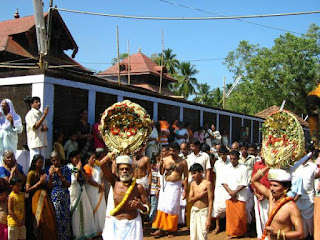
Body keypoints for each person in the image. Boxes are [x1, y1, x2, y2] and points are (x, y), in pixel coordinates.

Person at [100, 153, 149, 240]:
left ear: (132, 170)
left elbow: (147, 207)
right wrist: (113, 153)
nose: (124, 171)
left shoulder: (138, 187)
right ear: (118, 171)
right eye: (122, 169)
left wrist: (140, 206)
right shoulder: (114, 182)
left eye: (127, 169)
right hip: (115, 224)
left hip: (133, 225)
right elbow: (102, 164)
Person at [251, 167, 304, 240]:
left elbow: (300, 233)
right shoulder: (270, 196)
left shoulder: (291, 207)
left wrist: (277, 233)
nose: (272, 189)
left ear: (285, 188)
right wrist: (268, 166)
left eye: (275, 186)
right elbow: (254, 180)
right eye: (271, 185)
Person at [152, 142, 188, 238]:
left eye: (174, 151)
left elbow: (186, 177)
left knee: (172, 207)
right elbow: (161, 172)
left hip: (176, 186)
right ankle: (161, 229)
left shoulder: (183, 162)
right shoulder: (165, 159)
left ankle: (171, 229)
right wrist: (160, 165)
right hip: (166, 185)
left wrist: (185, 191)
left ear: (178, 151)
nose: (172, 152)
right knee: (162, 206)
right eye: (171, 150)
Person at [25, 154, 57, 240]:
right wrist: (39, 182)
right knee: (39, 220)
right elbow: (27, 190)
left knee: (48, 219)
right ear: (35, 163)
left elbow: (49, 186)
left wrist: (50, 176)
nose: (41, 164)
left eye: (42, 162)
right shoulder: (31, 173)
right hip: (36, 198)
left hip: (45, 198)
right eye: (39, 162)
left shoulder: (43, 172)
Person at [67, 151, 96, 239]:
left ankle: (85, 233)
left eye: (79, 158)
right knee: (76, 214)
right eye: (76, 158)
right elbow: (73, 180)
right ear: (71, 159)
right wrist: (77, 169)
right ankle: (77, 234)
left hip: (82, 191)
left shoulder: (79, 167)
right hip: (74, 192)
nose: (78, 160)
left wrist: (80, 170)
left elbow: (86, 179)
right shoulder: (68, 167)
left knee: (86, 212)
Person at [222, 150, 248, 238]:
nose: (232, 161)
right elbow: (223, 182)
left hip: (240, 195)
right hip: (229, 195)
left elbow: (244, 183)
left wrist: (235, 192)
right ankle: (232, 232)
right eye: (231, 159)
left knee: (240, 215)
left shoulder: (243, 168)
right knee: (230, 216)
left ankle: (241, 232)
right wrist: (230, 192)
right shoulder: (227, 168)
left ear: (238, 159)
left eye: (234, 159)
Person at [292, 157, 320, 238]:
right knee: (300, 221)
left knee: (310, 222)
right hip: (297, 198)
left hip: (309, 199)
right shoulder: (295, 166)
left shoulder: (312, 166)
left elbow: (316, 176)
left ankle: (312, 236)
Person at [47, 151, 71, 240]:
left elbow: (68, 184)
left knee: (65, 217)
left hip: (64, 194)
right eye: (53, 160)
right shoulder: (49, 169)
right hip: (55, 195)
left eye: (57, 160)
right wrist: (50, 175)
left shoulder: (66, 169)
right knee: (57, 217)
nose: (55, 162)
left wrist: (60, 175)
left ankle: (66, 237)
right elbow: (49, 186)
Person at [83, 152, 106, 234]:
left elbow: (101, 177)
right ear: (88, 159)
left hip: (99, 190)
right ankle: (94, 229)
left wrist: (102, 185)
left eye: (94, 158)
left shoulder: (97, 167)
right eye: (92, 158)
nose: (94, 159)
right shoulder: (86, 168)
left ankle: (101, 228)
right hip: (92, 190)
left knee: (101, 208)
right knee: (93, 207)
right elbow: (89, 180)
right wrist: (99, 186)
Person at [188, 163, 213, 240]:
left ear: (201, 172)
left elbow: (211, 201)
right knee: (193, 235)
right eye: (192, 174)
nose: (193, 176)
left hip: (203, 211)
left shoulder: (207, 184)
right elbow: (189, 200)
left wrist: (209, 218)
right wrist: (201, 195)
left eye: (195, 173)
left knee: (203, 234)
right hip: (194, 211)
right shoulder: (192, 184)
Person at [251, 156, 270, 239]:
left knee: (270, 216)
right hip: (259, 196)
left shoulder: (274, 166)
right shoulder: (257, 165)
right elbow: (253, 181)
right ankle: (261, 236)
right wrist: (256, 193)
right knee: (260, 217)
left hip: (270, 197)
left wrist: (267, 194)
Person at [212, 145, 230, 234]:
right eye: (221, 154)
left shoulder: (230, 162)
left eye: (224, 154)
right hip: (219, 187)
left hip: (228, 188)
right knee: (217, 208)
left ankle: (229, 226)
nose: (223, 156)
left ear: (227, 154)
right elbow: (215, 176)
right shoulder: (217, 163)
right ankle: (217, 226)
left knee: (228, 206)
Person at [25, 97, 49, 164]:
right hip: (35, 143)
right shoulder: (30, 114)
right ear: (31, 104)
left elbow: (44, 126)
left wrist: (45, 128)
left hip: (42, 142)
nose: (39, 103)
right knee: (35, 162)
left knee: (42, 162)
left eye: (39, 102)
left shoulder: (41, 114)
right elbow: (35, 126)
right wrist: (44, 115)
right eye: (36, 102)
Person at [0, 99, 23, 165]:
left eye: (5, 106)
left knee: (10, 159)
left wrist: (12, 121)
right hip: (1, 144)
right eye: (2, 106)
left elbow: (19, 130)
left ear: (9, 107)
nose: (3, 108)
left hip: (10, 143)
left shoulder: (16, 117)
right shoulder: (1, 117)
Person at [149, 155, 160, 223]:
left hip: (154, 190)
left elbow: (158, 182)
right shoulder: (147, 171)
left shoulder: (157, 171)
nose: (152, 166)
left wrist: (157, 189)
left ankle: (151, 219)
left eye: (154, 164)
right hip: (148, 190)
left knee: (154, 205)